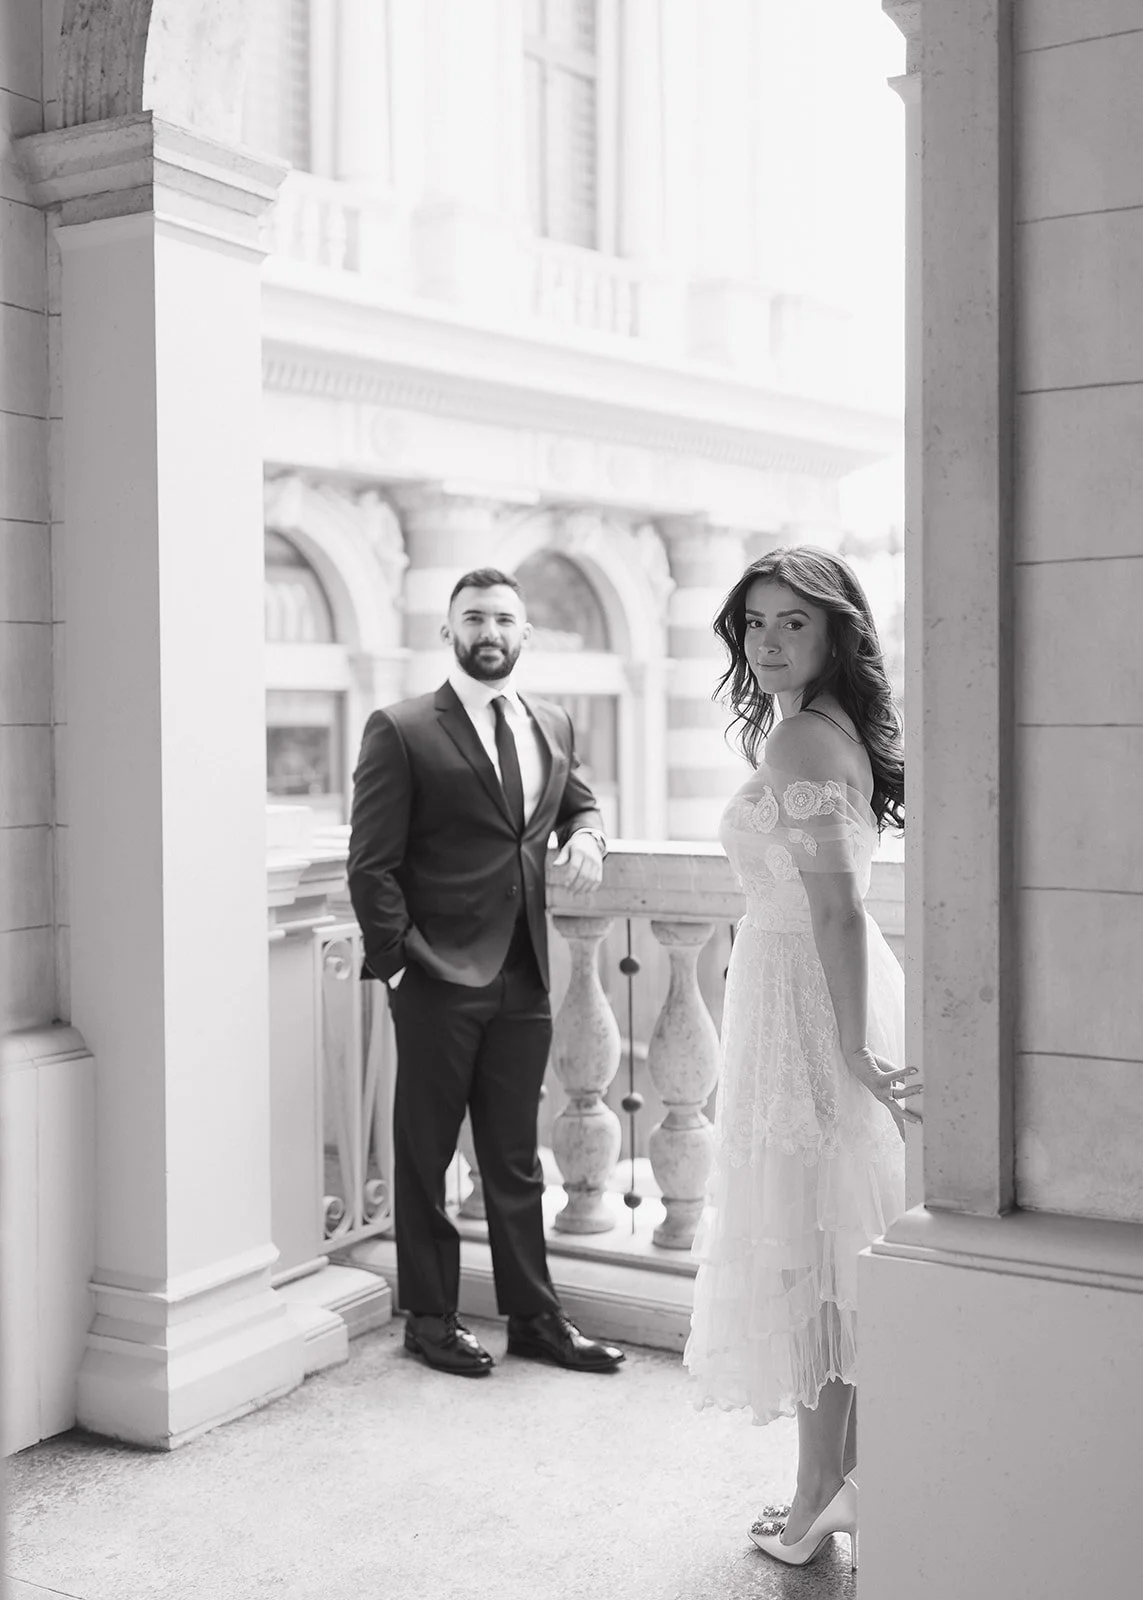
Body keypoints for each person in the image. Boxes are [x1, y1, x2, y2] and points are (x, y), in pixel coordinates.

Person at [683, 546, 921, 1570]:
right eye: (756, 623)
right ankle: (850, 1479)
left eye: (794, 624)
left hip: (808, 1005)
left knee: (813, 1248)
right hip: (800, 990)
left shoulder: (801, 748)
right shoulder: (824, 731)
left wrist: (860, 1053)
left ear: (835, 635)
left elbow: (836, 908)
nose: (770, 642)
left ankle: (821, 1488)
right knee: (826, 1240)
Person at [348, 567, 625, 1378]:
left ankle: (533, 1318)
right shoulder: (399, 729)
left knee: (512, 1158)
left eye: (504, 619)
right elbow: (372, 866)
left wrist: (589, 837)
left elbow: (577, 802)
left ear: (525, 634)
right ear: (449, 632)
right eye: (474, 619)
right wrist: (401, 969)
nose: (489, 633)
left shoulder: (551, 720)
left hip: (523, 976)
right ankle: (428, 1320)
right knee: (426, 1156)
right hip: (435, 977)